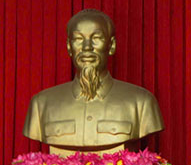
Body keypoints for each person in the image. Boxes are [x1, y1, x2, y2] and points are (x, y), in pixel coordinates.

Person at [23, 9, 163, 153]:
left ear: (111, 45)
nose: (87, 47)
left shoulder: (141, 102)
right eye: (78, 39)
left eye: (96, 38)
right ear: (69, 47)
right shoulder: (41, 104)